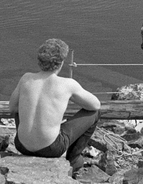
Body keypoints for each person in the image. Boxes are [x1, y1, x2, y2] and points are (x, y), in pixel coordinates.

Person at [9, 38, 101, 168]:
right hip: (51, 149)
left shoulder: (26, 79)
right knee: (95, 114)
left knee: (19, 107)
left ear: (39, 61)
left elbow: (12, 108)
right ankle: (74, 160)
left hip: (21, 145)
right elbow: (95, 105)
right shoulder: (67, 84)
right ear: (61, 62)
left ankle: (30, 136)